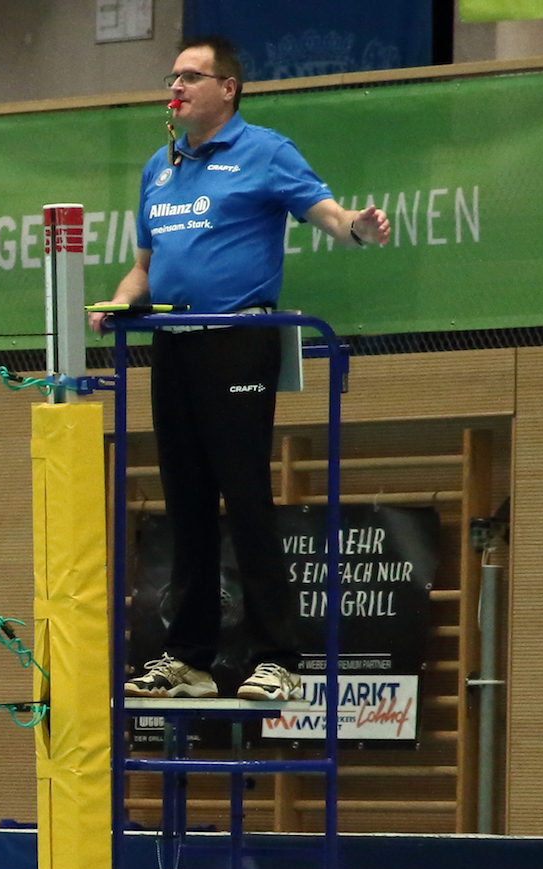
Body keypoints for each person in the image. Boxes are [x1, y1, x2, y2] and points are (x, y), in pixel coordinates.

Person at [97, 34, 390, 702]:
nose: (176, 88)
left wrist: (358, 227)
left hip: (239, 341)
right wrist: (117, 301)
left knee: (246, 496)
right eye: (172, 78)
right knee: (186, 502)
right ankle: (189, 658)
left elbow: (330, 215)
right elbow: (144, 267)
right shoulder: (159, 168)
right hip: (171, 345)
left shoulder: (266, 151)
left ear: (227, 88)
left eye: (190, 77)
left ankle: (277, 657)